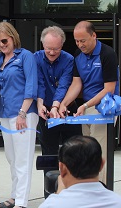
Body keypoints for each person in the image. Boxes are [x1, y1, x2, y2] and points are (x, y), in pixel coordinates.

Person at [59, 20, 119, 184]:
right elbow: (76, 84)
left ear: (94, 35)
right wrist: (64, 103)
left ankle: (102, 190)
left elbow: (109, 89)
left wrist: (86, 105)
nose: (79, 44)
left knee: (100, 152)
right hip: (86, 109)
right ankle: (90, 189)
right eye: (77, 41)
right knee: (88, 152)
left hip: (103, 108)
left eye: (83, 40)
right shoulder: (78, 56)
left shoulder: (107, 54)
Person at [0, 21, 39, 208]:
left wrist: (22, 113)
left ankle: (22, 202)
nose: (1, 45)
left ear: (13, 37)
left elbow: (31, 86)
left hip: (23, 113)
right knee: (11, 158)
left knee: (23, 159)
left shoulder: (26, 56)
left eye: (4, 40)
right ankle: (14, 195)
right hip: (5, 114)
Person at [34, 26, 82, 198]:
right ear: (42, 45)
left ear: (62, 45)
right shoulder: (36, 58)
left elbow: (64, 84)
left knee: (73, 151)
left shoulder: (69, 59)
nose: (52, 52)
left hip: (67, 108)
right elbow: (38, 83)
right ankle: (50, 195)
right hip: (44, 110)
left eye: (56, 49)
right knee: (49, 153)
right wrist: (41, 105)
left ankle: (73, 193)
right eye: (48, 48)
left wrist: (56, 106)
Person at [39, 135, 121, 208]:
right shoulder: (117, 202)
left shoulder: (50, 205)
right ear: (102, 164)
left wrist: (58, 194)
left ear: (62, 168)